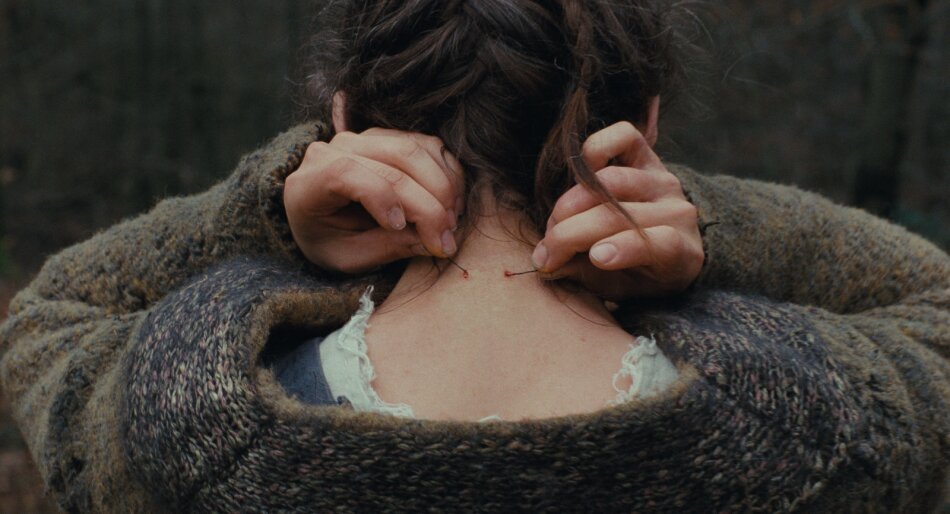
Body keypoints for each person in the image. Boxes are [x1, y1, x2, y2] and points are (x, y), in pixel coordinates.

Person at [1, 0, 948, 512]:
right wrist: (702, 220)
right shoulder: (804, 431)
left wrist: (271, 213)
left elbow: (55, 308)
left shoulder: (190, 417)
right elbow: (929, 296)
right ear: (647, 128)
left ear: (345, 125)